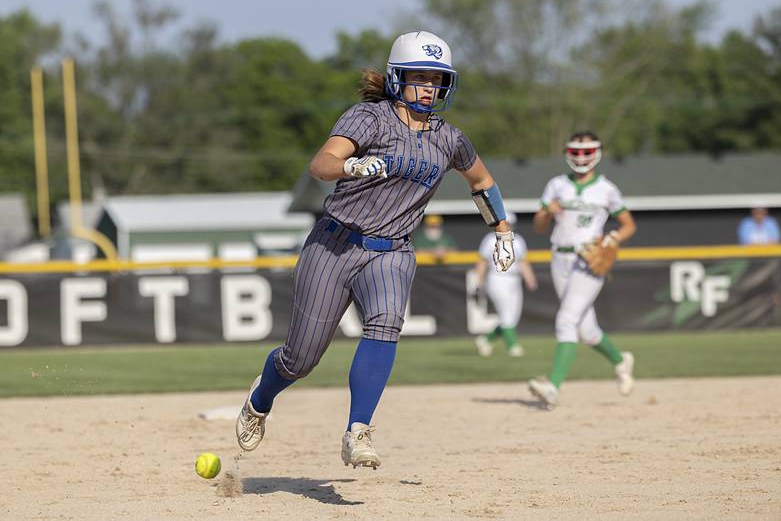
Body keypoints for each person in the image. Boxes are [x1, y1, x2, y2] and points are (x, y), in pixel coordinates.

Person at [235, 31, 517, 469]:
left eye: (437, 79)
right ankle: (260, 398)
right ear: (396, 79)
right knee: (301, 358)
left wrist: (501, 229)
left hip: (392, 251)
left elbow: (481, 181)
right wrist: (351, 163)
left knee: (385, 325)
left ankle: (358, 430)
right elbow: (321, 164)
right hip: (334, 244)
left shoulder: (450, 138)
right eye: (418, 77)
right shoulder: (370, 118)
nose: (428, 87)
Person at [527, 131, 637, 409]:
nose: (581, 157)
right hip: (559, 258)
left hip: (588, 261)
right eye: (576, 152)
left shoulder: (606, 189)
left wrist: (613, 238)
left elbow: (628, 225)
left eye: (586, 152)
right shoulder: (556, 185)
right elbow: (539, 227)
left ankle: (552, 387)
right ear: (568, 153)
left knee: (566, 320)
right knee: (586, 330)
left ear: (597, 153)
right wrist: (546, 212)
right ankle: (620, 360)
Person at [473, 212, 537, 357]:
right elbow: (482, 263)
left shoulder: (518, 240)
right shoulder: (490, 240)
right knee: (507, 314)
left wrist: (530, 279)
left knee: (513, 317)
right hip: (497, 277)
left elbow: (523, 262)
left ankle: (485, 339)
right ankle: (513, 346)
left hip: (514, 279)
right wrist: (478, 283)